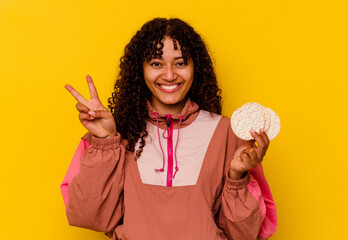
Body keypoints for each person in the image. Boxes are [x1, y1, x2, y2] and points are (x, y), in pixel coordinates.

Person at [60, 17, 277, 240]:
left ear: (196, 67)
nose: (170, 74)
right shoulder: (115, 134)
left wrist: (237, 176)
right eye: (156, 63)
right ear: (140, 69)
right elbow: (89, 216)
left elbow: (245, 234)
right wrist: (105, 141)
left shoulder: (227, 133)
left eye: (181, 63)